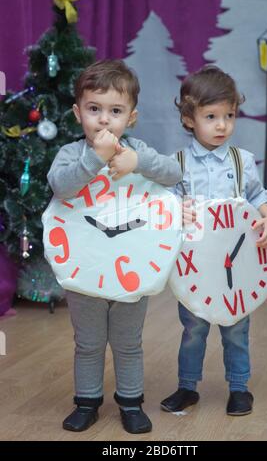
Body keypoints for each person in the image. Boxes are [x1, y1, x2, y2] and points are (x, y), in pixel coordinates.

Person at [47, 59, 182, 434]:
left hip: (131, 266)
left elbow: (174, 174)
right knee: (88, 342)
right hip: (84, 266)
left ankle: (131, 402)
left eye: (115, 111)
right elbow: (61, 186)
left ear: (132, 117)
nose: (104, 120)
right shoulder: (74, 154)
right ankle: (87, 401)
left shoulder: (137, 150)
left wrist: (137, 161)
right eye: (94, 109)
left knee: (127, 341)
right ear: (78, 113)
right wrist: (96, 159)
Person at [160, 65, 267, 416]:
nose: (222, 125)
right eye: (211, 116)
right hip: (195, 267)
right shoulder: (176, 164)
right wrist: (176, 211)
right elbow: (165, 207)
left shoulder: (243, 162)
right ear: (189, 118)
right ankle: (187, 386)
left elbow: (257, 197)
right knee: (193, 328)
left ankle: (239, 387)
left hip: (236, 265)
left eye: (229, 115)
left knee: (236, 330)